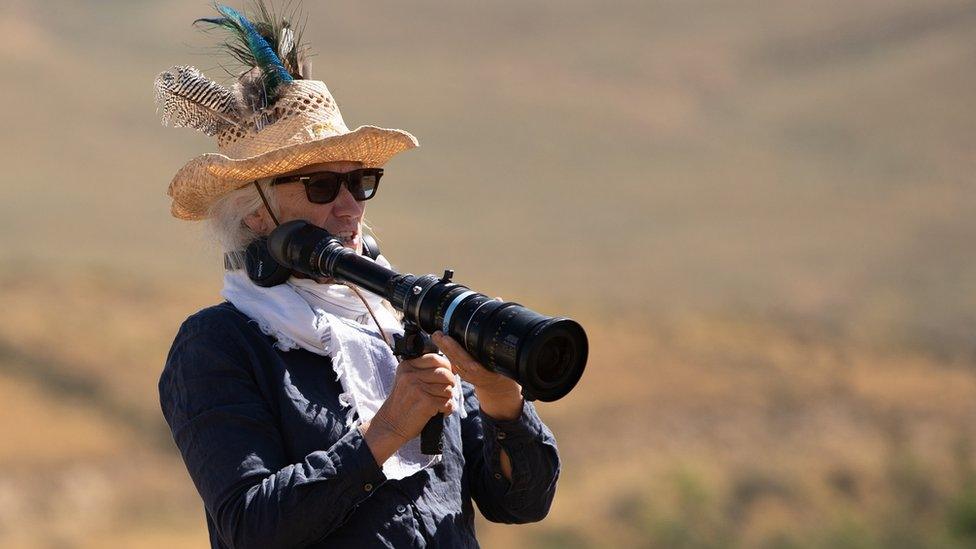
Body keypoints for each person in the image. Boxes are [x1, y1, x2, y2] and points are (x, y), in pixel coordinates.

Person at [155, 4, 560, 548]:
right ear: (255, 212)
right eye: (320, 186)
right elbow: (251, 527)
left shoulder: (401, 317)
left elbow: (520, 503)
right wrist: (388, 431)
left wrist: (500, 398)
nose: (349, 208)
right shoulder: (218, 345)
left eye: (361, 183)